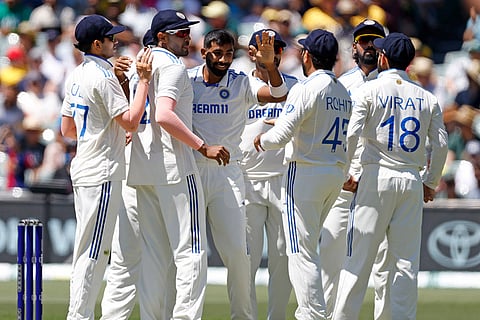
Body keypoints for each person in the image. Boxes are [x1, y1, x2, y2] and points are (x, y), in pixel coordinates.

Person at [333, 32, 448, 320]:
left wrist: (345, 172)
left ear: (383, 58)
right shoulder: (427, 97)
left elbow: (351, 134)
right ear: (409, 62)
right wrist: (430, 182)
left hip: (375, 176)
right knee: (405, 264)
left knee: (357, 260)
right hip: (410, 178)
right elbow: (441, 144)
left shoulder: (368, 91)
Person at [126, 10, 230, 320]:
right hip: (175, 167)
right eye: (180, 33)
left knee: (155, 256)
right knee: (191, 253)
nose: (187, 38)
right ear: (162, 37)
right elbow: (164, 115)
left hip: (143, 167)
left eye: (187, 32)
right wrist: (203, 146)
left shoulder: (140, 64)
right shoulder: (172, 66)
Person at [188, 28, 288, 319]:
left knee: (238, 255)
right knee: (191, 255)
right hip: (191, 172)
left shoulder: (241, 82)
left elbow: (279, 95)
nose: (223, 59)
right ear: (204, 51)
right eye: (217, 53)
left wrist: (270, 66)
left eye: (229, 54)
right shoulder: (187, 79)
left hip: (227, 174)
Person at [253, 29, 352, 319]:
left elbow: (281, 136)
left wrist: (263, 140)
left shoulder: (306, 87)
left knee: (301, 251)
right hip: (332, 171)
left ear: (307, 56)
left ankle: (312, 314)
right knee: (307, 247)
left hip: (306, 172)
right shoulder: (342, 91)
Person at [60, 14, 152, 320]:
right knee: (94, 251)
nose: (116, 42)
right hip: (103, 171)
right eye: (111, 39)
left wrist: (104, 130)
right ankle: (79, 316)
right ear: (97, 44)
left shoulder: (76, 74)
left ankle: (78, 313)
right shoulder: (103, 77)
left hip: (85, 166)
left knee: (88, 248)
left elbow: (67, 130)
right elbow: (131, 121)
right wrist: (145, 82)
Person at [319, 19, 388, 320]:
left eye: (375, 41)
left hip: (379, 182)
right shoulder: (341, 85)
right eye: (364, 41)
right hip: (343, 183)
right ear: (354, 47)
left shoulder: (394, 86)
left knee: (383, 264)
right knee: (331, 260)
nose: (369, 46)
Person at [240, 28, 298, 320]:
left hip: (283, 179)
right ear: (251, 53)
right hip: (245, 179)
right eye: (264, 48)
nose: (270, 53)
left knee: (283, 258)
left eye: (275, 48)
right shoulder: (238, 85)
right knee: (245, 261)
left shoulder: (295, 86)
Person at [100, 29, 156, 320]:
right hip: (132, 173)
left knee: (159, 262)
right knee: (124, 259)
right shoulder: (123, 76)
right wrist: (120, 77)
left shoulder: (177, 75)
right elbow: (123, 120)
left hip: (160, 176)